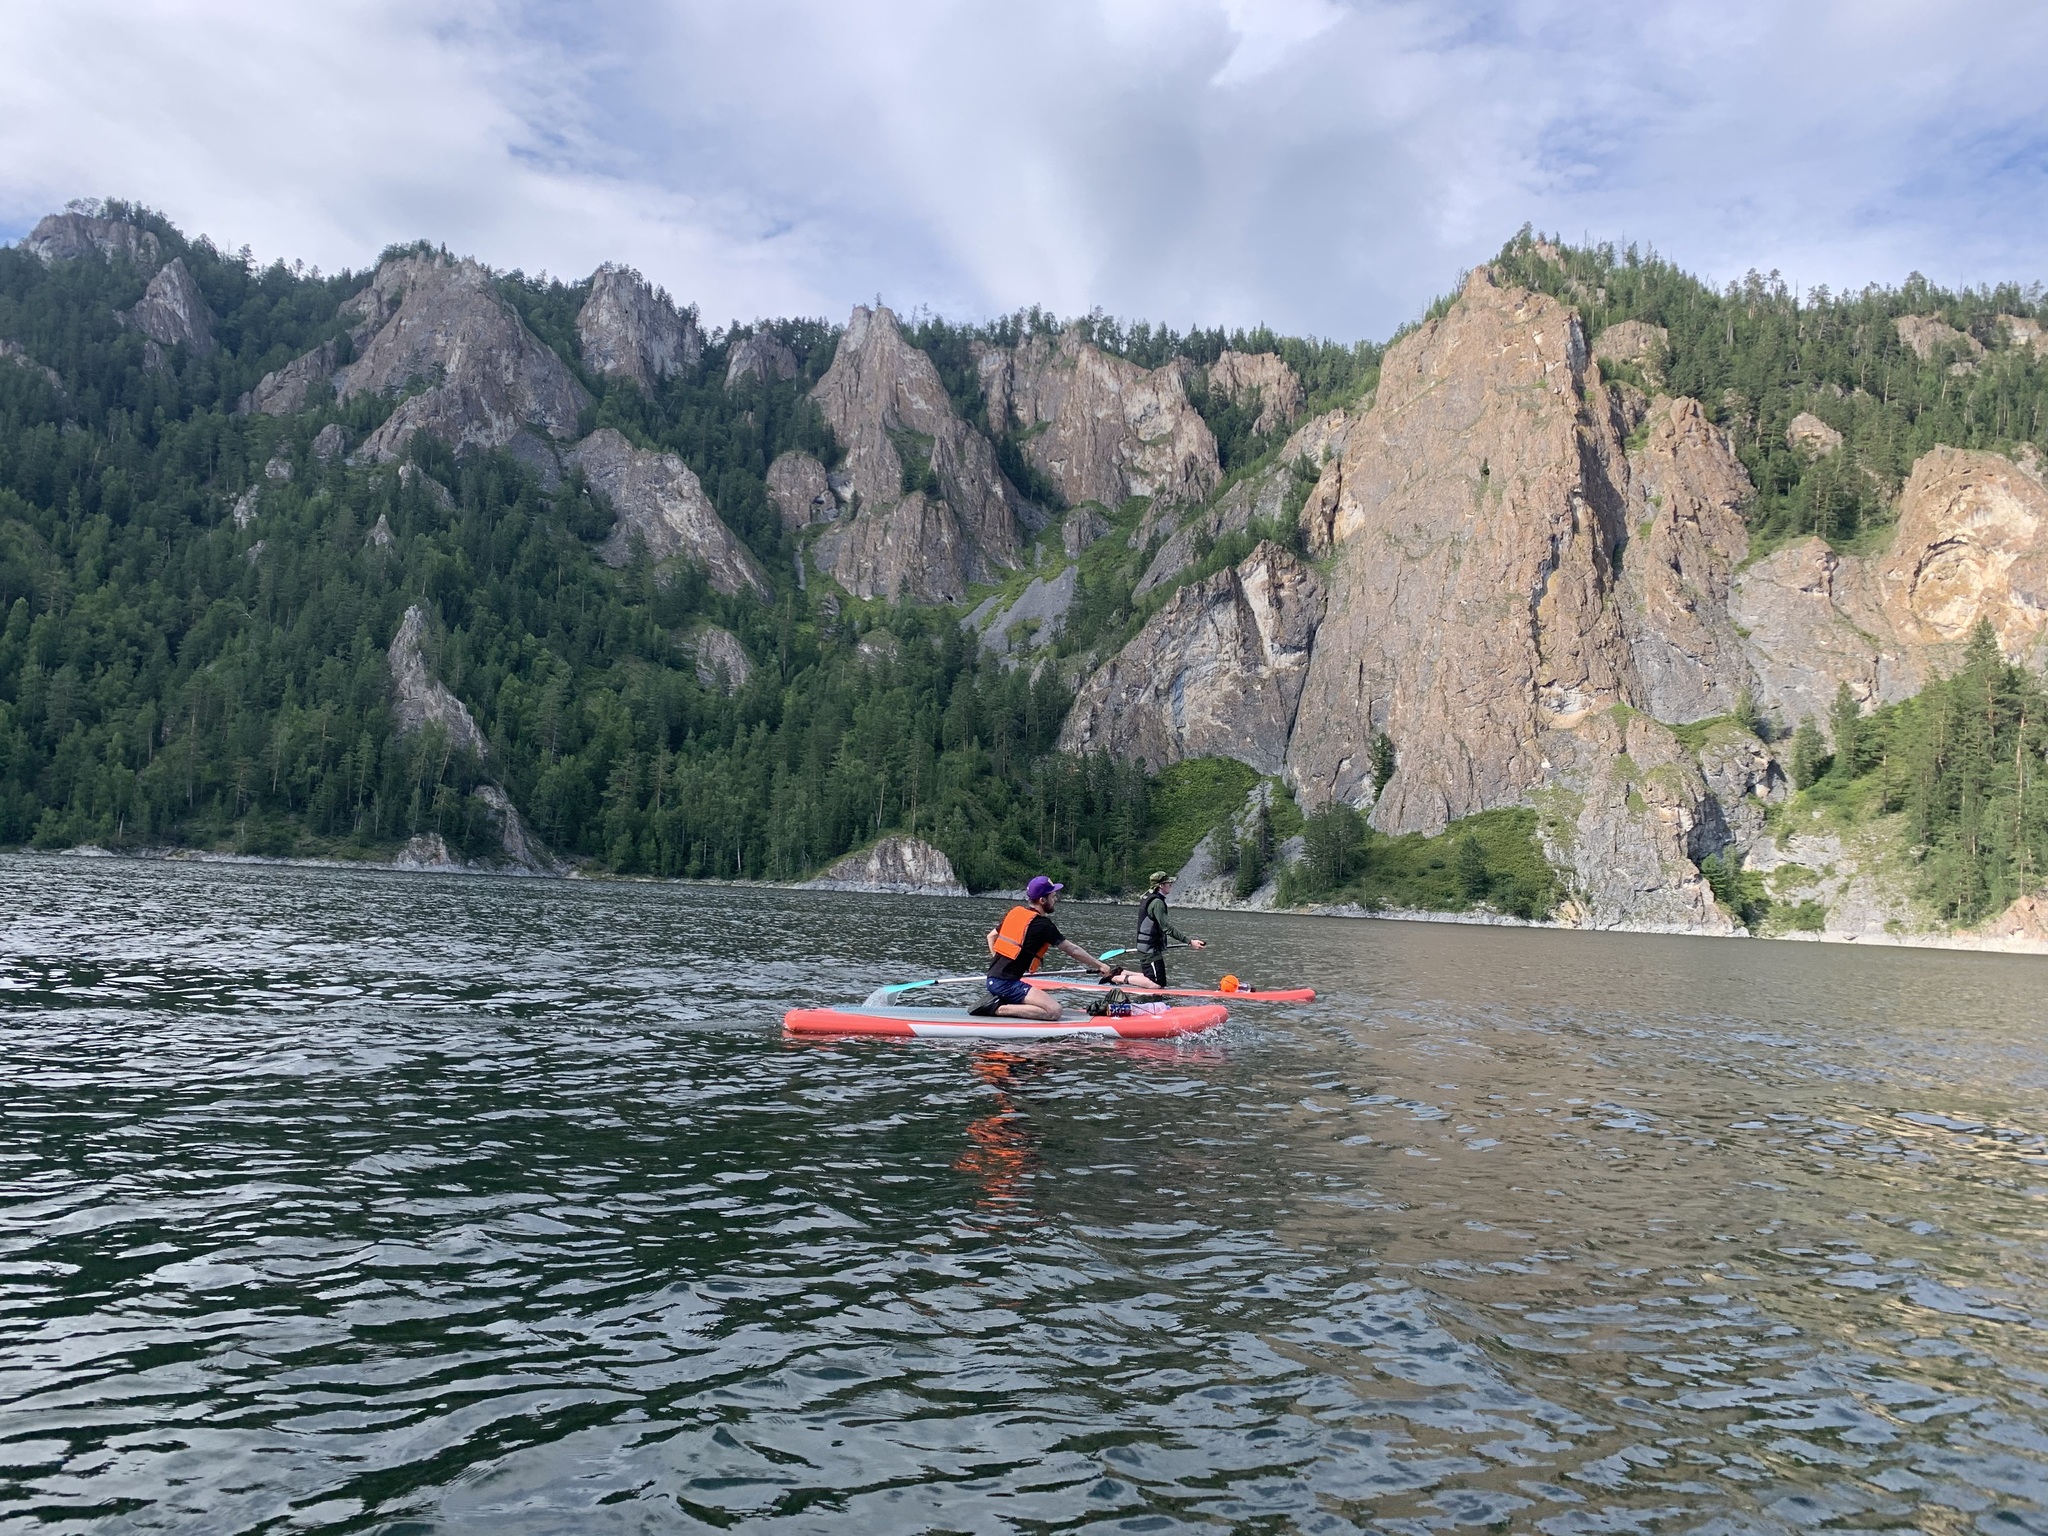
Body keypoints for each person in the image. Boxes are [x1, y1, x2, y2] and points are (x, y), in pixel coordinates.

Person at [975, 876, 1118, 1020]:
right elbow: (1072, 950)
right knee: (1054, 1011)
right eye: (1053, 896)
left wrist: (999, 962)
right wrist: (1100, 965)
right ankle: (998, 1009)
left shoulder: (1017, 914)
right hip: (1005, 983)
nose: (1055, 899)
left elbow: (991, 936)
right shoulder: (1043, 925)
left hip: (993, 978)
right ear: (1042, 900)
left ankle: (1003, 1001)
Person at [1134, 871, 1206, 987]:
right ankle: (1120, 978)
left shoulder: (1150, 896)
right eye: (1169, 883)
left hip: (1150, 949)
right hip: (1150, 951)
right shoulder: (1157, 903)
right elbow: (1166, 928)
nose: (1171, 885)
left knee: (1155, 980)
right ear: (1161, 886)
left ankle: (1122, 973)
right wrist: (1189, 941)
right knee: (1157, 985)